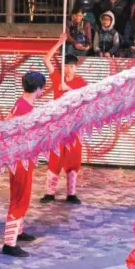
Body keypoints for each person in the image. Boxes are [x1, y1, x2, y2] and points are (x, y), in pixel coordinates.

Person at [2, 71, 47, 257]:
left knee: (18, 196)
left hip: (19, 157)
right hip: (21, 158)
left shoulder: (21, 104)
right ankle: (9, 243)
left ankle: (18, 232)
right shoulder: (25, 109)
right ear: (38, 88)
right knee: (21, 199)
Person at [41, 33, 87, 205]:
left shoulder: (81, 82)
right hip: (58, 126)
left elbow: (85, 98)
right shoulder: (56, 77)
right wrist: (59, 42)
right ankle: (50, 193)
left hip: (74, 127)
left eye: (73, 66)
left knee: (73, 159)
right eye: (68, 66)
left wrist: (68, 88)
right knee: (55, 158)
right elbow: (46, 60)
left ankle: (71, 193)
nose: (70, 69)